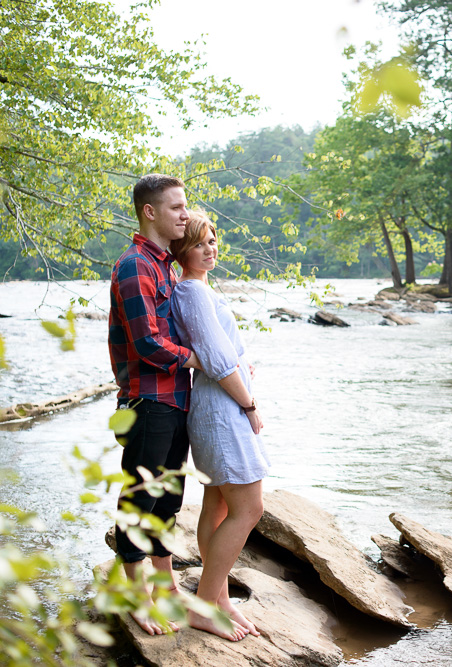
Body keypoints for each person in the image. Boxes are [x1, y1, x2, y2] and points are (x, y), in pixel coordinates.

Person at [169, 210, 270, 641]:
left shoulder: (198, 290)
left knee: (219, 505)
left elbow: (219, 353)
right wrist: (249, 404)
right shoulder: (191, 292)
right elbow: (214, 358)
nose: (209, 249)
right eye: (198, 243)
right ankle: (203, 605)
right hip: (223, 410)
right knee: (250, 508)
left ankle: (219, 598)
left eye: (212, 241)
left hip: (215, 405)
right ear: (181, 251)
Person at [108, 173, 202, 635]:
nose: (186, 214)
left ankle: (165, 587)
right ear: (150, 212)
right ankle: (135, 594)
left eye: (185, 207)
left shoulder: (163, 264)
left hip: (176, 398)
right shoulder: (134, 266)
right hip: (148, 401)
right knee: (139, 497)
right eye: (177, 207)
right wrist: (198, 358)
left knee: (169, 496)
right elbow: (147, 343)